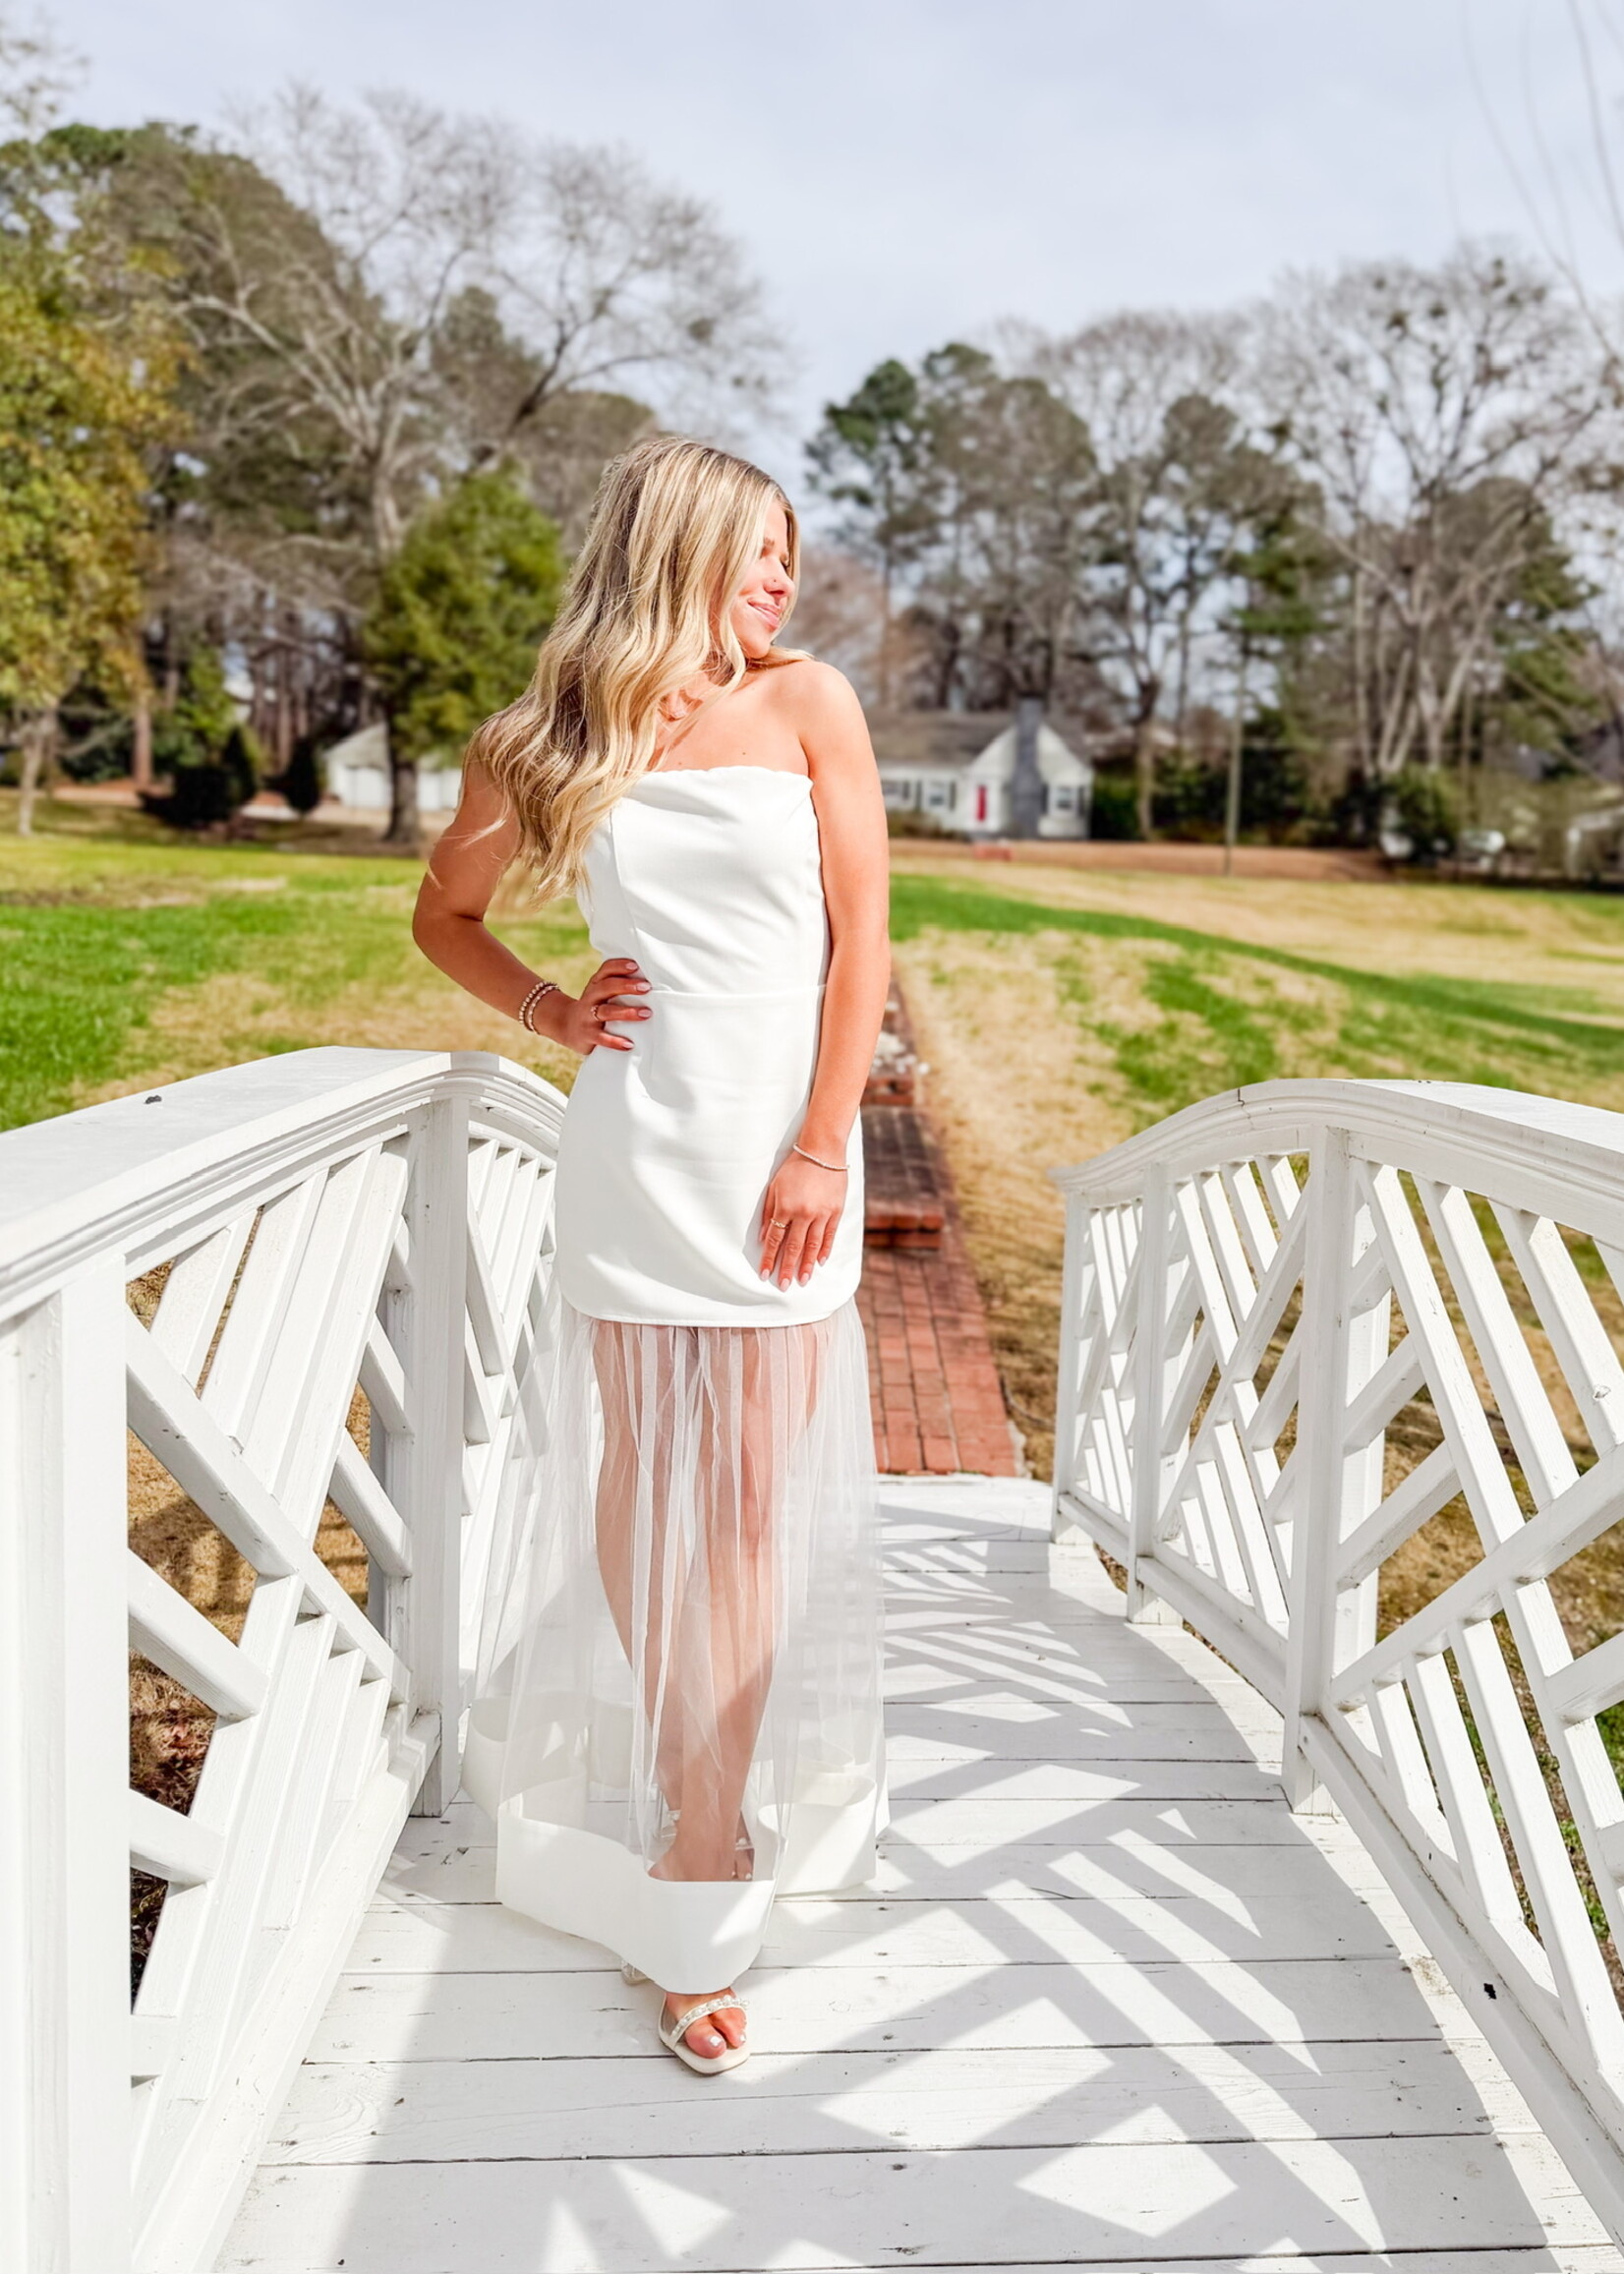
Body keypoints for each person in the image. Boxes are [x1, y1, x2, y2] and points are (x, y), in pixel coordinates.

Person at [412, 435, 891, 2076]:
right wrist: (550, 1008)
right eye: (760, 548)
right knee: (636, 1478)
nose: (784, 578)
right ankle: (706, 1791)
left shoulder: (812, 703)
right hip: (636, 1153)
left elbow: (864, 946)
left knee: (745, 1495)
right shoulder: (546, 733)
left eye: (791, 552)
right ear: (675, 544)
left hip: (780, 1162)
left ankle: (703, 1836)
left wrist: (823, 1143)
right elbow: (444, 917)